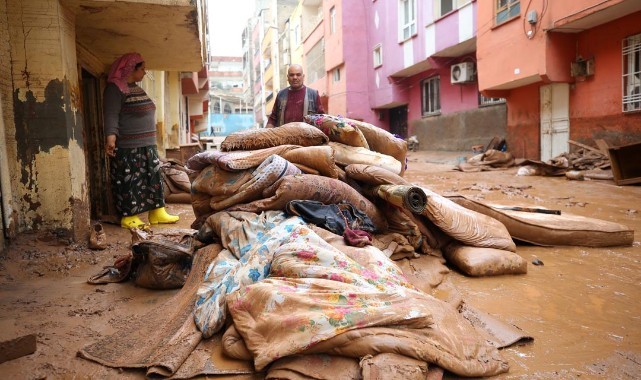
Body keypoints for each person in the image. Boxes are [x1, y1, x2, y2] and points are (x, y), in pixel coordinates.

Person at [103, 52, 179, 229]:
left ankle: (157, 212)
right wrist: (111, 138)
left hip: (147, 145)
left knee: (153, 179)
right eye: (142, 68)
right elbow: (111, 114)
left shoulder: (136, 87)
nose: (145, 72)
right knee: (130, 181)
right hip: (129, 146)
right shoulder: (115, 88)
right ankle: (129, 217)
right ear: (131, 68)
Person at [265, 64, 325, 128]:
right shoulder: (281, 95)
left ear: (303, 76)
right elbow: (273, 119)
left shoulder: (313, 94)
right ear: (287, 77)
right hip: (285, 136)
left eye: (298, 75)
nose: (295, 77)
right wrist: (266, 134)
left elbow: (322, 119)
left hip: (307, 137)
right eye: (292, 75)